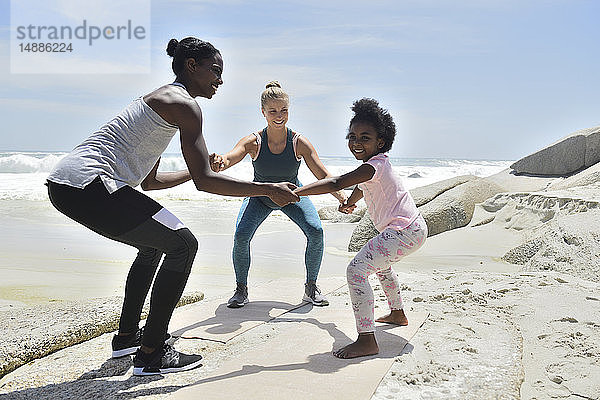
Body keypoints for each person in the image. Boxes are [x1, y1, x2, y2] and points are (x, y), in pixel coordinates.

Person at [46, 37, 299, 376]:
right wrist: (267, 189)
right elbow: (205, 181)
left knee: (154, 247)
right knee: (184, 244)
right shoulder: (183, 103)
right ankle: (152, 353)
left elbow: (151, 181)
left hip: (69, 184)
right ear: (191, 65)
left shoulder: (162, 102)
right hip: (90, 183)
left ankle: (127, 339)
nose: (220, 80)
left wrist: (194, 170)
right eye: (215, 71)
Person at [294, 98, 428, 358]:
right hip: (412, 229)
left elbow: (337, 182)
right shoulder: (376, 166)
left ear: (380, 141)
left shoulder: (372, 166)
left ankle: (367, 339)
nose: (356, 142)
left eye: (364, 137)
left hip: (402, 231)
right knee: (381, 266)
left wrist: (296, 193)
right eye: (352, 136)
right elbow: (359, 187)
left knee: (356, 271)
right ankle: (397, 313)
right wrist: (348, 203)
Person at [209, 81, 347, 308]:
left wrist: (341, 198)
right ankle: (240, 290)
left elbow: (322, 174)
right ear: (263, 112)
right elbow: (230, 158)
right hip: (260, 198)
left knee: (316, 231)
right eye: (273, 111)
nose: (279, 115)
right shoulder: (254, 141)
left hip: (292, 196)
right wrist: (219, 163)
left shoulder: (298, 142)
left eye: (283, 110)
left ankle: (311, 287)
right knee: (241, 236)